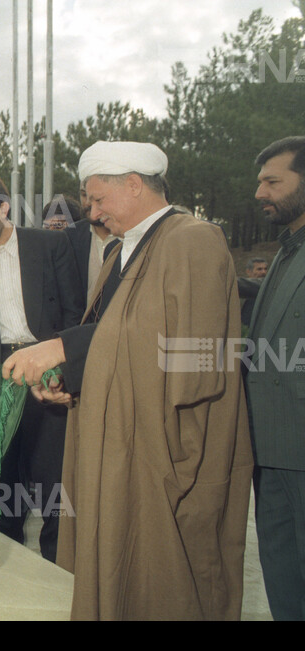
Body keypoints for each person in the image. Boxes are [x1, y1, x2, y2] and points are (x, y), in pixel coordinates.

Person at [3, 141, 253, 620]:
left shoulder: (194, 239)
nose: (92, 214)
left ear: (134, 185)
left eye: (97, 201)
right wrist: (72, 380)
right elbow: (119, 340)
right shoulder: (123, 251)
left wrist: (64, 348)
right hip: (120, 445)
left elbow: (191, 356)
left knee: (160, 583)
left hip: (167, 452)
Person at [0, 174, 83, 561]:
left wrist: (63, 372)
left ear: (2, 208)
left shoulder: (51, 245)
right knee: (2, 484)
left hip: (47, 375)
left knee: (53, 484)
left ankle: (59, 575)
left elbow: (75, 314)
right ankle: (10, 573)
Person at [245, 135, 305, 621]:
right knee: (282, 577)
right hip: (271, 450)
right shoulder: (288, 247)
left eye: (273, 182)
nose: (261, 193)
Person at [63, 189, 119, 310]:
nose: (89, 202)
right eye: (84, 195)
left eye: (97, 198)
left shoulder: (129, 235)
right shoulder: (69, 237)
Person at [239, 257, 268, 327]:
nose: (264, 272)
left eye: (265, 269)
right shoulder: (244, 291)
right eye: (259, 269)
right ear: (248, 272)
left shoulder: (267, 290)